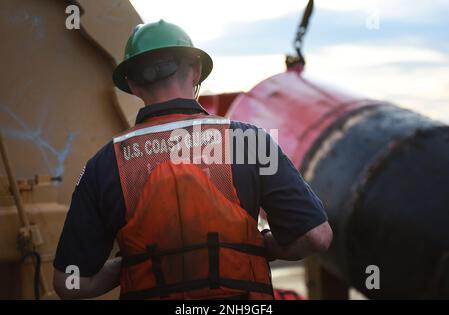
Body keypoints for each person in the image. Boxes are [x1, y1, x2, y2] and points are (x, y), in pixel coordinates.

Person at [53, 20, 332, 300]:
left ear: (133, 85)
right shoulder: (249, 141)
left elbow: (70, 284)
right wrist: (261, 246)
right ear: (197, 72)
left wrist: (133, 263)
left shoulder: (105, 163)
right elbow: (315, 236)